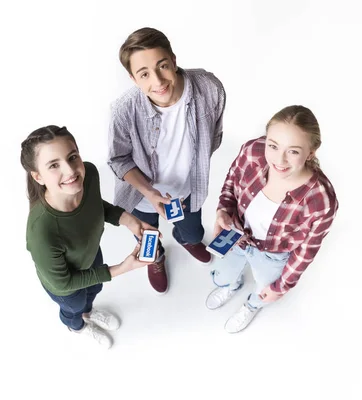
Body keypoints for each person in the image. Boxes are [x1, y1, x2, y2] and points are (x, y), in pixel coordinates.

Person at [108, 27, 226, 294]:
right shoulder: (123, 110)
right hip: (141, 195)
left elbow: (214, 135)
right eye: (144, 74)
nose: (158, 81)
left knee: (194, 233)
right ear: (133, 78)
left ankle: (185, 239)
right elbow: (119, 159)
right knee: (148, 237)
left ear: (173, 60)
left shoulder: (209, 88)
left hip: (187, 191)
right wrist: (149, 193)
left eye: (162, 66)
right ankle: (157, 256)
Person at [22, 125, 157, 348]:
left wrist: (129, 220)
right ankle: (77, 325)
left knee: (94, 290)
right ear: (38, 176)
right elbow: (64, 282)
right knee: (74, 307)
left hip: (90, 254)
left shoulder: (89, 174)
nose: (71, 171)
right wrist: (124, 267)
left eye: (72, 157)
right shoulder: (41, 230)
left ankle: (89, 312)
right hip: (65, 286)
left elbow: (95, 206)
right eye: (54, 165)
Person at [207, 105, 339, 333]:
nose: (279, 159)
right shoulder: (251, 152)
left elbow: (306, 251)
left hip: (273, 254)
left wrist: (282, 286)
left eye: (294, 151)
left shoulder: (320, 201)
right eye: (273, 146)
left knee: (265, 290)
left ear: (311, 152)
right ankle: (232, 285)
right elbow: (231, 181)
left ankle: (252, 304)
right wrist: (222, 210)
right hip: (236, 235)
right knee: (223, 274)